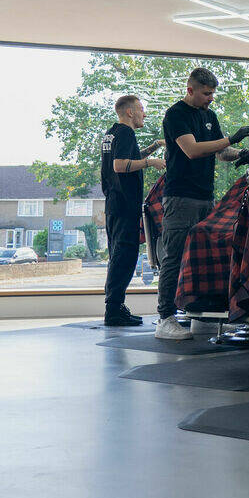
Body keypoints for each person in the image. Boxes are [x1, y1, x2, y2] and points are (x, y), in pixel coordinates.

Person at [155, 67, 249, 341]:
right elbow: (192, 150)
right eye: (206, 93)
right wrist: (231, 138)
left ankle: (201, 316)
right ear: (190, 90)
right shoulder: (176, 114)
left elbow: (221, 152)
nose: (211, 98)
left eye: (213, 94)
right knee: (174, 256)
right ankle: (165, 318)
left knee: (201, 255)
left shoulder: (209, 116)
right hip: (180, 196)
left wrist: (242, 153)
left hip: (205, 195)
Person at [100, 94, 165, 327]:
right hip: (125, 204)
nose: (144, 114)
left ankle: (115, 307)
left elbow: (129, 158)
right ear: (130, 112)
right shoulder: (126, 133)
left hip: (114, 203)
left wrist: (154, 146)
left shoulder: (112, 133)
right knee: (124, 257)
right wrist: (151, 162)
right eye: (141, 109)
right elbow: (120, 165)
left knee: (117, 255)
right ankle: (114, 309)